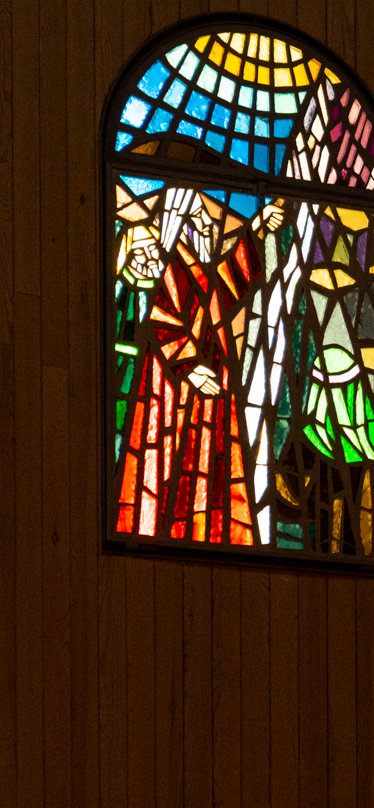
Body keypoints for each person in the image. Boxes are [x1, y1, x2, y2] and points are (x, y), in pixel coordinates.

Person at [114, 189, 283, 543]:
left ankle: (206, 531)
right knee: (163, 465)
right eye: (197, 222)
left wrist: (257, 231)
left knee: (211, 469)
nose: (205, 228)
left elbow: (224, 287)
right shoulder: (162, 271)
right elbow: (161, 317)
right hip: (169, 392)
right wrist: (188, 364)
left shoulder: (190, 265)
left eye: (204, 223)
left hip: (210, 387)